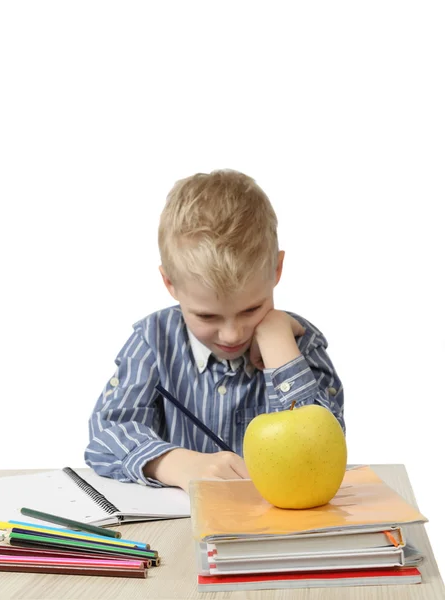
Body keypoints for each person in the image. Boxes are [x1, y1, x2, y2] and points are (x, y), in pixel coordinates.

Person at [85, 169, 344, 491]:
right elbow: (106, 434)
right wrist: (171, 462)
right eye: (207, 316)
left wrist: (279, 343)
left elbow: (323, 451)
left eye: (251, 309)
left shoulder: (299, 344)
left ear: (277, 269)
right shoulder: (153, 340)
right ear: (170, 283)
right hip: (178, 526)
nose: (233, 334)